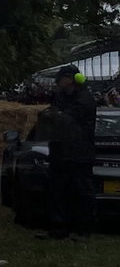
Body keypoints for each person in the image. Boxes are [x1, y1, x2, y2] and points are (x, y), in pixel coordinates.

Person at [42, 64, 98, 241]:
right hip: (60, 152)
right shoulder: (60, 97)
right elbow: (51, 116)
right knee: (58, 191)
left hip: (79, 154)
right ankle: (58, 230)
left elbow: (63, 118)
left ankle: (83, 231)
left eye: (61, 79)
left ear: (70, 79)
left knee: (81, 192)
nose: (58, 83)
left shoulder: (85, 99)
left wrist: (54, 115)